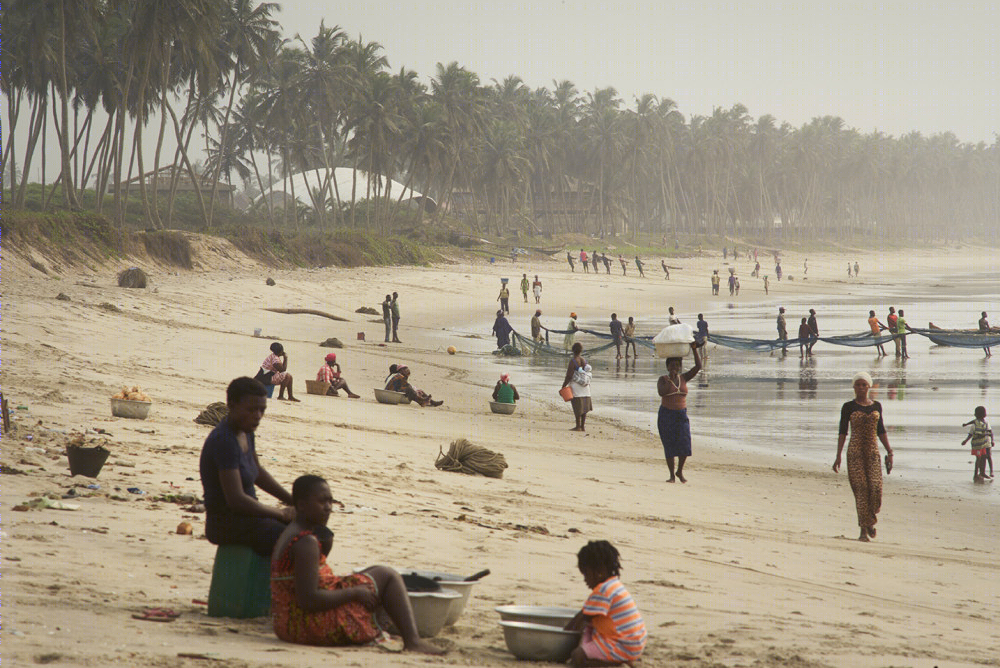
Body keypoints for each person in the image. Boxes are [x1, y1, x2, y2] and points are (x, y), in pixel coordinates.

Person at [270, 475, 445, 654]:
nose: (328, 508)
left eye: (331, 501)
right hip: (305, 626)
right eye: (322, 502)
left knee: (377, 574)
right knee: (388, 576)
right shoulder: (306, 542)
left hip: (287, 624)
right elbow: (309, 600)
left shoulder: (293, 532)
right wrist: (354, 593)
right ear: (301, 505)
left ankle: (409, 637)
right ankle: (413, 641)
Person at [200, 376, 294, 557]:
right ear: (232, 405)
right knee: (297, 540)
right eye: (252, 409)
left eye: (262, 410)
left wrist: (292, 500)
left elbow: (257, 472)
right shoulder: (224, 440)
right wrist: (281, 513)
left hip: (248, 518)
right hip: (227, 524)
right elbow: (237, 500)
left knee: (316, 532)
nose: (258, 416)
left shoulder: (245, 431)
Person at [564, 540, 647, 667]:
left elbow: (583, 618)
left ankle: (611, 664)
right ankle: (617, 659)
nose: (585, 580)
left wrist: (563, 635)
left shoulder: (602, 591)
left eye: (586, 574)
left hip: (621, 644)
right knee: (589, 632)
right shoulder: (614, 585)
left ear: (599, 572)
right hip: (635, 643)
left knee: (577, 655)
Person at [833, 371, 893, 541]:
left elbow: (880, 430)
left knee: (875, 489)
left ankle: (869, 520)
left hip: (873, 452)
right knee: (861, 489)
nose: (861, 387)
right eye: (858, 385)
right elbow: (842, 432)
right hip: (855, 452)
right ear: (854, 387)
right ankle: (862, 531)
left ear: (869, 386)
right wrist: (838, 455)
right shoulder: (848, 407)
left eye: (864, 384)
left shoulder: (876, 406)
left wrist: (890, 451)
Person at [657, 343, 702, 483]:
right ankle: (671, 475)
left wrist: (694, 349)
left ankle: (679, 471)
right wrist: (670, 379)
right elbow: (661, 392)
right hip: (666, 415)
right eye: (672, 366)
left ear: (680, 367)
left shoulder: (684, 378)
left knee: (685, 444)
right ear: (667, 367)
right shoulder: (663, 379)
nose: (675, 368)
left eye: (677, 365)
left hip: (681, 415)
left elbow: (698, 367)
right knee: (669, 445)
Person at [562, 342, 593, 432]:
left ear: (573, 350)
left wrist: (563, 386)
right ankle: (582, 426)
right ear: (581, 351)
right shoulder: (584, 361)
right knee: (584, 408)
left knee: (577, 407)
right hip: (585, 387)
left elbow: (569, 375)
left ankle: (577, 426)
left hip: (576, 387)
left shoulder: (573, 361)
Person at [961, 406, 994, 481]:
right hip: (977, 445)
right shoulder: (976, 424)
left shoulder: (984, 423)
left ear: (975, 414)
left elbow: (989, 432)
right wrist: (965, 441)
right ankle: (976, 474)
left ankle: (982, 473)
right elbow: (971, 434)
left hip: (982, 444)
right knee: (979, 458)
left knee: (983, 457)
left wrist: (965, 441)